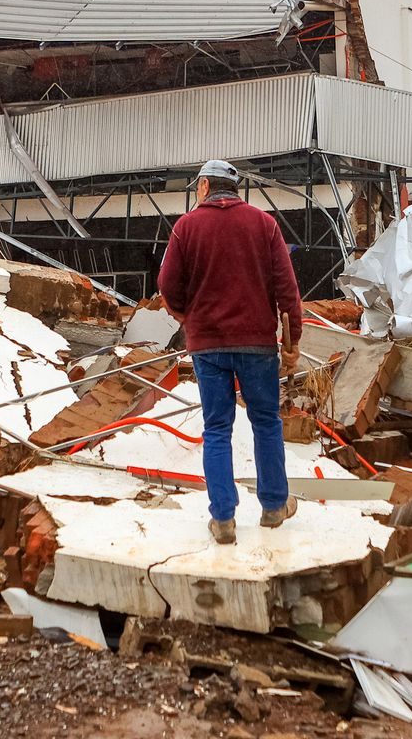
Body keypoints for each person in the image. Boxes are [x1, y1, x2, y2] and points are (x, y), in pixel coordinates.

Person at [157, 160, 303, 545]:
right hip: (257, 344)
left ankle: (223, 518)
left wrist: (191, 318)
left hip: (208, 347)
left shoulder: (186, 227)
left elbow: (167, 284)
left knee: (217, 429)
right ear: (234, 189)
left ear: (204, 186)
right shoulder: (264, 225)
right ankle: (274, 507)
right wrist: (293, 342)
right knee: (266, 421)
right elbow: (287, 290)